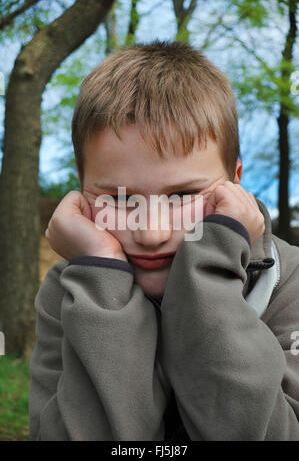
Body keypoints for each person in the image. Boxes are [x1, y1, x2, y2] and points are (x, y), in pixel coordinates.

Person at [29, 40, 299, 441]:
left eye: (181, 196)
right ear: (81, 194)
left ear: (236, 181)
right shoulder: (70, 288)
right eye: (120, 199)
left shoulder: (287, 281)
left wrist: (208, 274)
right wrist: (103, 281)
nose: (151, 233)